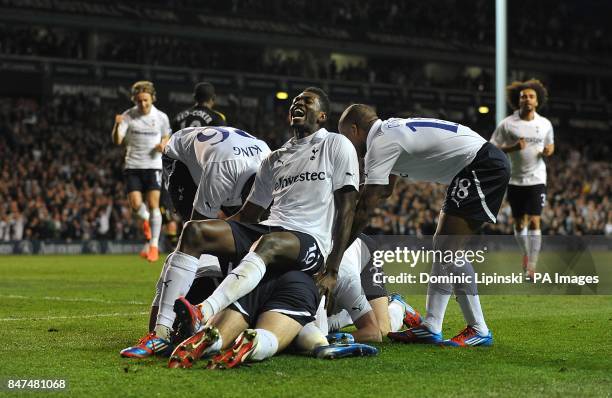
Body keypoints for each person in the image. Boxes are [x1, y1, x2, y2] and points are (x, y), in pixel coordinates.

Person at [121, 87, 359, 357]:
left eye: (307, 101)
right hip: (271, 231)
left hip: (310, 240)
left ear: (322, 116)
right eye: (295, 101)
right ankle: (160, 334)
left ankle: (203, 311)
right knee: (195, 230)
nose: (298, 104)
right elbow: (249, 215)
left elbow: (347, 208)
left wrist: (332, 270)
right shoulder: (274, 158)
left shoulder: (336, 145)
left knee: (268, 242)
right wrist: (219, 233)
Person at [338, 104, 510, 347]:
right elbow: (385, 189)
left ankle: (479, 328)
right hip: (472, 166)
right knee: (443, 246)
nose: (346, 145)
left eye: (345, 136)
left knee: (449, 249)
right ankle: (431, 325)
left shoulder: (380, 142)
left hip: (481, 165)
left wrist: (339, 248)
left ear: (354, 130)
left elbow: (367, 206)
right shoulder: (389, 132)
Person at [120, 125, 270, 357]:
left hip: (225, 156)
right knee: (196, 236)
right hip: (181, 158)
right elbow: (198, 230)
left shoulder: (271, 165)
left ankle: (211, 295)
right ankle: (161, 331)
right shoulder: (221, 171)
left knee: (238, 232)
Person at [490, 79, 554, 279]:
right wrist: (513, 148)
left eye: (531, 96)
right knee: (519, 225)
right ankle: (526, 253)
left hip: (537, 178)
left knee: (535, 221)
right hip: (515, 179)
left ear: (537, 101)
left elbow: (550, 146)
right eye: (523, 96)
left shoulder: (545, 124)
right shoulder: (507, 124)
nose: (527, 99)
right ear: (518, 101)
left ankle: (532, 267)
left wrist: (548, 151)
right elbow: (491, 148)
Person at [111, 80, 171, 262]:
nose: (142, 104)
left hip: (153, 166)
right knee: (136, 206)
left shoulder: (161, 117)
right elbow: (117, 141)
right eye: (138, 101)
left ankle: (153, 245)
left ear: (152, 98)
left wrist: (163, 144)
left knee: (154, 204)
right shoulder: (128, 116)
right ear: (134, 100)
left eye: (145, 100)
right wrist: (116, 126)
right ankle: (147, 221)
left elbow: (166, 136)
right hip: (133, 166)